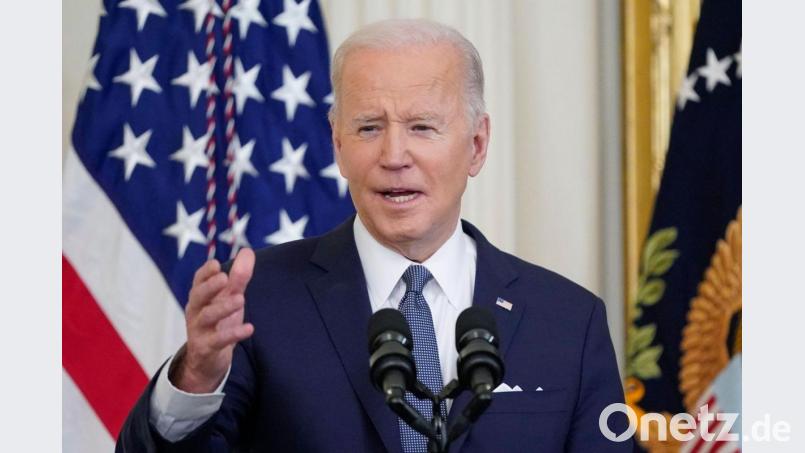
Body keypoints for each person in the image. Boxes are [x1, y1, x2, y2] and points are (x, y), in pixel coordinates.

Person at [116, 18, 631, 452]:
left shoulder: (569, 322)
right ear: (338, 144)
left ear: (476, 145)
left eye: (423, 127)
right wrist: (196, 380)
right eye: (368, 128)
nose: (393, 156)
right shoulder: (258, 302)